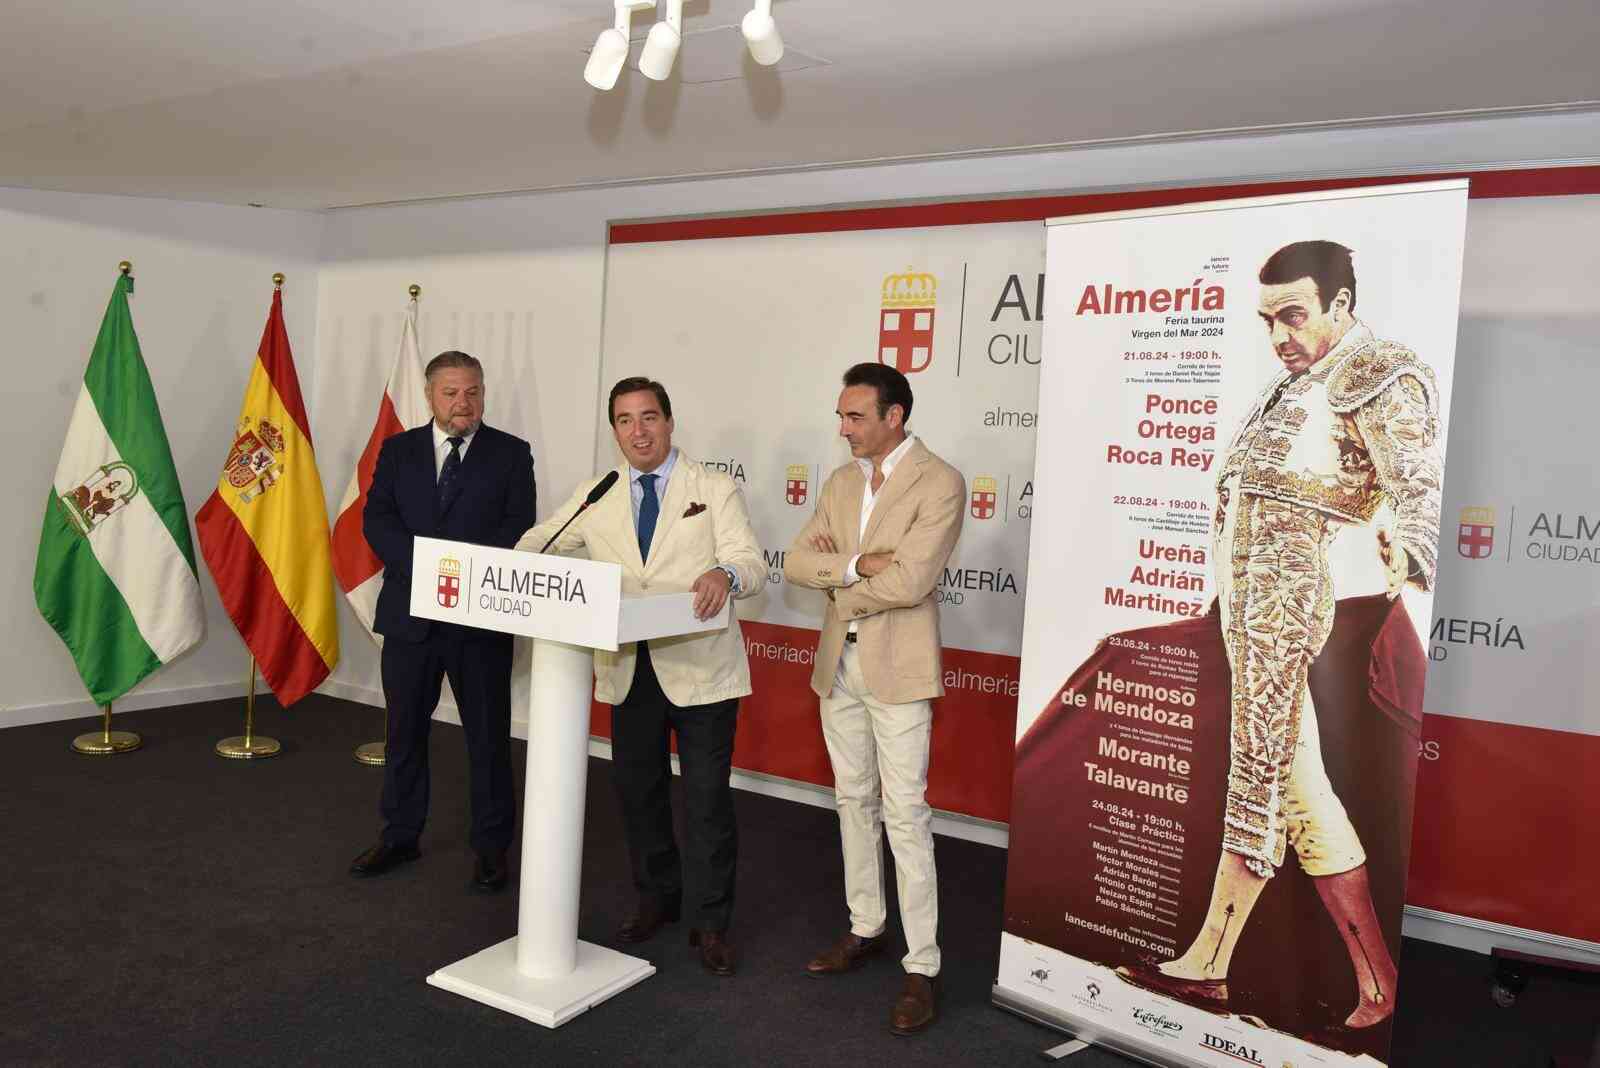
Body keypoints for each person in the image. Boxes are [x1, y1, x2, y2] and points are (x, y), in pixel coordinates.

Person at [1117, 241, 1444, 1047]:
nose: (1278, 336)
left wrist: (1407, 547)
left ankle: (1209, 963)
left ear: (1340, 304)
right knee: (1300, 792)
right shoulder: (1294, 380)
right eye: (1267, 320)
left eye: (1293, 316)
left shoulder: (1381, 372)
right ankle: (1376, 982)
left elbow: (1416, 484)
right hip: (1251, 610)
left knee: (1261, 774)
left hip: (1293, 612)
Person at [516, 376, 764, 976]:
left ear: (670, 422)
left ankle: (711, 922)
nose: (639, 431)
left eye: (649, 417)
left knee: (706, 802)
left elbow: (750, 561)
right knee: (639, 795)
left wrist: (725, 575)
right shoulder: (596, 492)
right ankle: (657, 898)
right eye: (625, 420)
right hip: (628, 668)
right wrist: (528, 568)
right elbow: (538, 541)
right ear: (615, 431)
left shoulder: (712, 487)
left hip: (701, 668)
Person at [783, 362, 965, 1036]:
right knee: (851, 800)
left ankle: (923, 965)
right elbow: (795, 562)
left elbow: (912, 582)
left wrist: (837, 584)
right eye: (841, 415)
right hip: (839, 665)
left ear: (894, 416)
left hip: (899, 668)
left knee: (906, 814)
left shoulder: (939, 481)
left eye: (855, 416)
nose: (844, 428)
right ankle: (866, 926)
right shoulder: (840, 482)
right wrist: (860, 565)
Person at [349, 350, 536, 892]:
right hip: (409, 617)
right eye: (451, 392)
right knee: (404, 734)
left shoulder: (511, 453)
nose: (463, 403)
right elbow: (377, 519)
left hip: (479, 621)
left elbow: (517, 527)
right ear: (429, 395)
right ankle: (399, 835)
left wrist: (461, 572)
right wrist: (428, 567)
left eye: (473, 392)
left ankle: (492, 849)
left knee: (488, 739)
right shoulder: (398, 450)